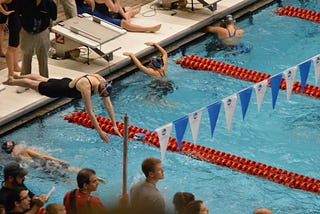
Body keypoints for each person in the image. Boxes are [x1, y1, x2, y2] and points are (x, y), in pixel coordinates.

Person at [3, 73, 122, 143]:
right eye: (97, 93)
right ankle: (12, 81)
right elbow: (90, 112)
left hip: (65, 82)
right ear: (98, 89)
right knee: (32, 84)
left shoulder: (101, 80)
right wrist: (100, 131)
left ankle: (17, 76)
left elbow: (108, 104)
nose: (97, 95)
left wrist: (114, 125)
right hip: (58, 90)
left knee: (41, 78)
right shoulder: (86, 87)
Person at [75, 0, 161, 33]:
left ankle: (131, 12)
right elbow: (115, 9)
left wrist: (124, 16)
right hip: (102, 15)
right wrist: (117, 1)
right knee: (124, 23)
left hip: (105, 12)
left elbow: (118, 8)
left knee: (128, 9)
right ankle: (148, 29)